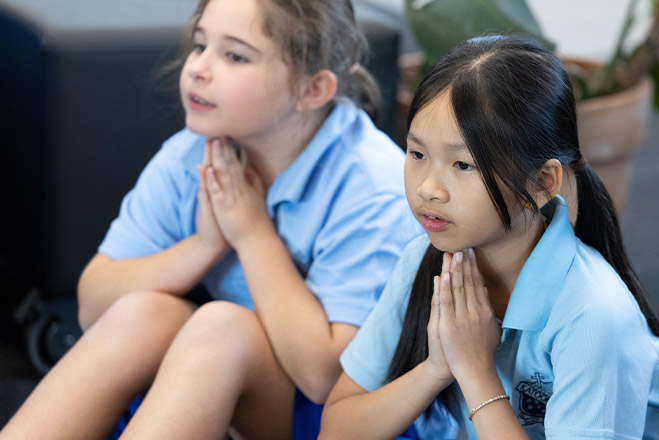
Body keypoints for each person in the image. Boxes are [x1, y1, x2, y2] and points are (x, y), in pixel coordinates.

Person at [0, 0, 420, 438]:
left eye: (234, 55)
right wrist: (202, 247)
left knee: (222, 327)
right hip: (229, 386)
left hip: (338, 416)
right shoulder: (194, 152)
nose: (198, 67)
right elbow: (93, 307)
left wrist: (252, 234)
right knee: (148, 312)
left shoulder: (375, 191)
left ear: (312, 90)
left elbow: (324, 378)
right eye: (200, 45)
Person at [319, 35, 659, 439]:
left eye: (462, 164)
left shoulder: (592, 312)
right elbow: (337, 429)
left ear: (543, 184)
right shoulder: (426, 260)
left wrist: (476, 374)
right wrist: (437, 368)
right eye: (418, 154)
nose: (428, 189)